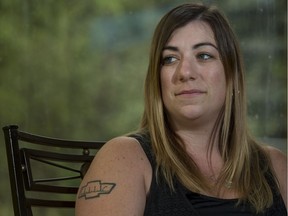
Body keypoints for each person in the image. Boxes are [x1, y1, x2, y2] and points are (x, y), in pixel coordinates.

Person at [75, 3, 287, 215]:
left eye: (204, 55)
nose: (184, 72)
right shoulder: (124, 158)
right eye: (170, 59)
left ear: (231, 74)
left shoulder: (277, 168)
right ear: (158, 79)